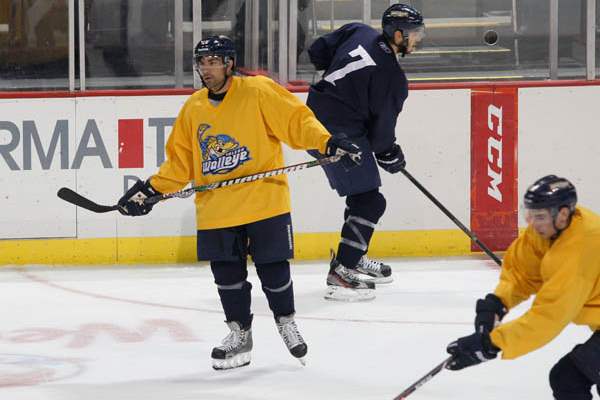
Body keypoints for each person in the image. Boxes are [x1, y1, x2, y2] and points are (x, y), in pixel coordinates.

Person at [117, 35, 362, 370]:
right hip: (217, 208)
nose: (206, 69)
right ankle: (239, 333)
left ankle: (286, 322)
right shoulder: (194, 108)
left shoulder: (258, 91)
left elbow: (297, 123)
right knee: (227, 276)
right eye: (202, 63)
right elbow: (179, 165)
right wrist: (149, 190)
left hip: (265, 201)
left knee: (274, 269)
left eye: (213, 62)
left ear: (230, 64)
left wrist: (329, 143)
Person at [305, 3, 426, 301]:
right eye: (413, 34)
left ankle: (354, 255)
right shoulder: (392, 77)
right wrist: (390, 153)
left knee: (362, 194)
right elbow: (382, 132)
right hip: (338, 135)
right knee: (371, 202)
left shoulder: (358, 30)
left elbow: (317, 52)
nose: (417, 39)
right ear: (397, 34)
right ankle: (342, 271)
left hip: (311, 121)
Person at [445, 175, 600, 400]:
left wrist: (492, 343)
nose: (533, 223)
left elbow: (550, 316)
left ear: (563, 214)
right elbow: (521, 274)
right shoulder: (547, 230)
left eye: (540, 217)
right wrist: (496, 304)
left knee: (567, 378)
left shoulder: (582, 244)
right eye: (531, 214)